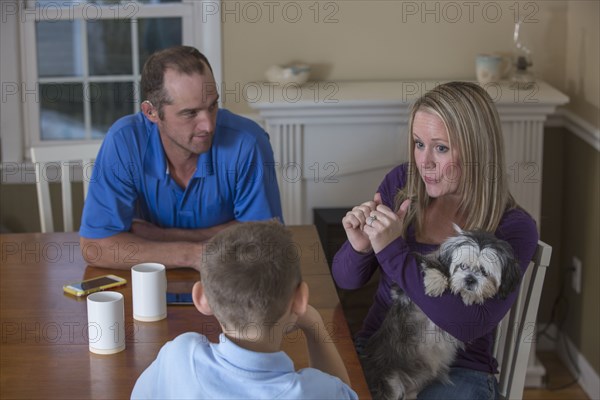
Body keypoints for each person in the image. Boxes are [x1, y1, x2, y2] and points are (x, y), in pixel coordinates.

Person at [332, 81, 538, 399]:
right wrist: (359, 247)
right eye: (418, 143)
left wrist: (393, 252)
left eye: (440, 148)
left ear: (475, 150)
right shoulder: (402, 185)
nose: (424, 162)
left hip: (459, 372)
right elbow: (345, 279)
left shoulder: (512, 227)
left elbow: (469, 324)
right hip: (380, 354)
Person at [79, 46, 283, 270]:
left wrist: (159, 236)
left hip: (230, 283)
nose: (208, 125)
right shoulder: (124, 141)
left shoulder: (248, 142)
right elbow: (95, 247)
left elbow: (266, 241)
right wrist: (192, 254)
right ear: (151, 113)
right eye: (190, 113)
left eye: (213, 105)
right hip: (147, 288)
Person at [131, 221, 358, 399]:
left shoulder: (179, 357)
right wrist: (313, 324)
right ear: (300, 300)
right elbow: (341, 393)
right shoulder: (312, 392)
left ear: (201, 298)